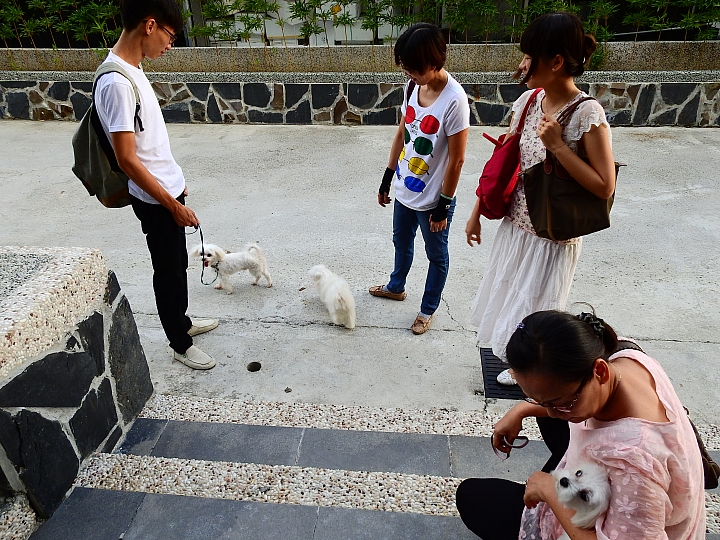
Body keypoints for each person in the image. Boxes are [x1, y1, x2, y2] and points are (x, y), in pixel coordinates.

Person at [456, 310, 706, 540]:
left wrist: (548, 491)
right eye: (539, 400)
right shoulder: (625, 356)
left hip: (604, 516)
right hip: (601, 485)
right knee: (553, 419)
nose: (553, 412)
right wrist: (523, 409)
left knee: (472, 497)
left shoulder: (634, 462)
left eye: (562, 401)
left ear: (600, 371)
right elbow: (558, 406)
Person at [465, 12, 616, 385]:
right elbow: (504, 161)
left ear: (556, 61)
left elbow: (604, 186)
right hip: (517, 225)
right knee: (512, 298)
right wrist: (477, 211)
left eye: (528, 57)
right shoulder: (530, 100)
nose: (522, 65)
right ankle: (520, 361)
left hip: (552, 234)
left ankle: (532, 371)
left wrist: (558, 147)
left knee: (539, 309)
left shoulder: (587, 113)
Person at [95, 0, 218, 369]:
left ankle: (183, 324)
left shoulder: (132, 68)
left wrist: (176, 185)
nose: (169, 45)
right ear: (150, 25)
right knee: (167, 270)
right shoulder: (116, 82)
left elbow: (147, 147)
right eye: (170, 36)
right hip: (155, 201)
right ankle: (179, 343)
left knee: (176, 264)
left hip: (165, 191)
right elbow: (127, 159)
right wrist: (172, 204)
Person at [370, 23, 470, 335]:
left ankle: (428, 309)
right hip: (405, 188)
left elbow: (457, 159)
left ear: (434, 61)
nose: (409, 76)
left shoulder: (455, 100)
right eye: (407, 70)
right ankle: (396, 286)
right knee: (401, 241)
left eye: (414, 69)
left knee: (436, 257)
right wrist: (387, 177)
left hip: (433, 200)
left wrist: (444, 205)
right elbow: (403, 131)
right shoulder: (413, 87)